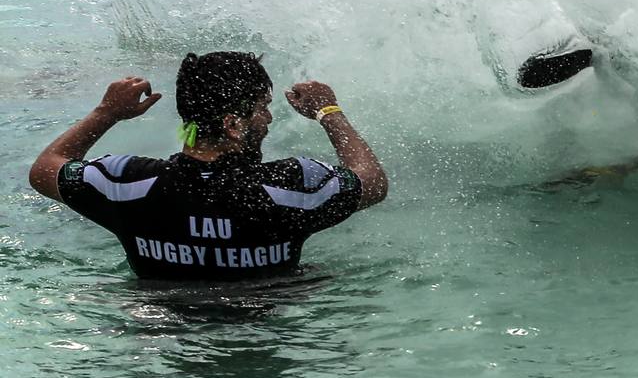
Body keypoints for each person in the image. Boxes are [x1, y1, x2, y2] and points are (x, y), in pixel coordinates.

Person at [27, 51, 388, 280]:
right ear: (233, 124)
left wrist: (107, 113)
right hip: (261, 334)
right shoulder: (291, 185)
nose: (268, 119)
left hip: (165, 332)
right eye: (262, 107)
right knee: (315, 279)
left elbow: (45, 168)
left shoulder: (127, 183)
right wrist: (329, 112)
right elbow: (371, 181)